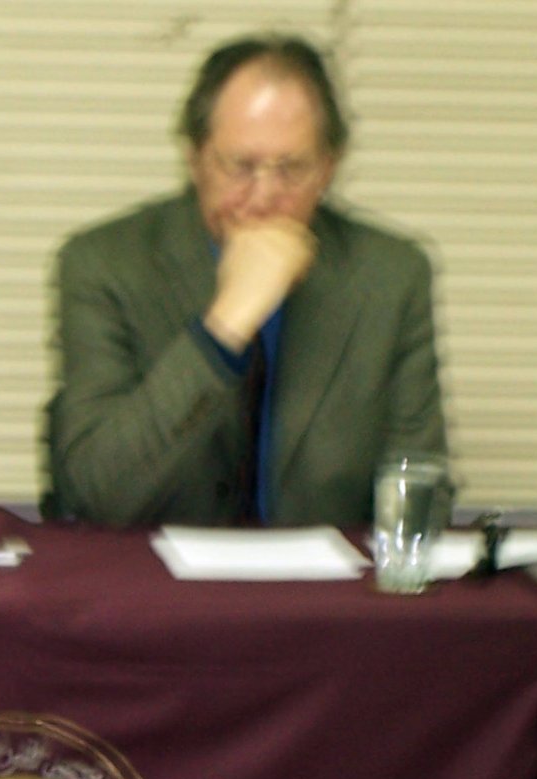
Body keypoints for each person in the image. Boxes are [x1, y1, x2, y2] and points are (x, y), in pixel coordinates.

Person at [47, 34, 447, 527]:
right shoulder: (105, 265)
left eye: (292, 169)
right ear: (195, 158)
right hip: (153, 573)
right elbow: (95, 495)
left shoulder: (389, 276)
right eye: (241, 166)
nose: (263, 197)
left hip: (327, 574)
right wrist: (224, 327)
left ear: (329, 167)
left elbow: (419, 493)